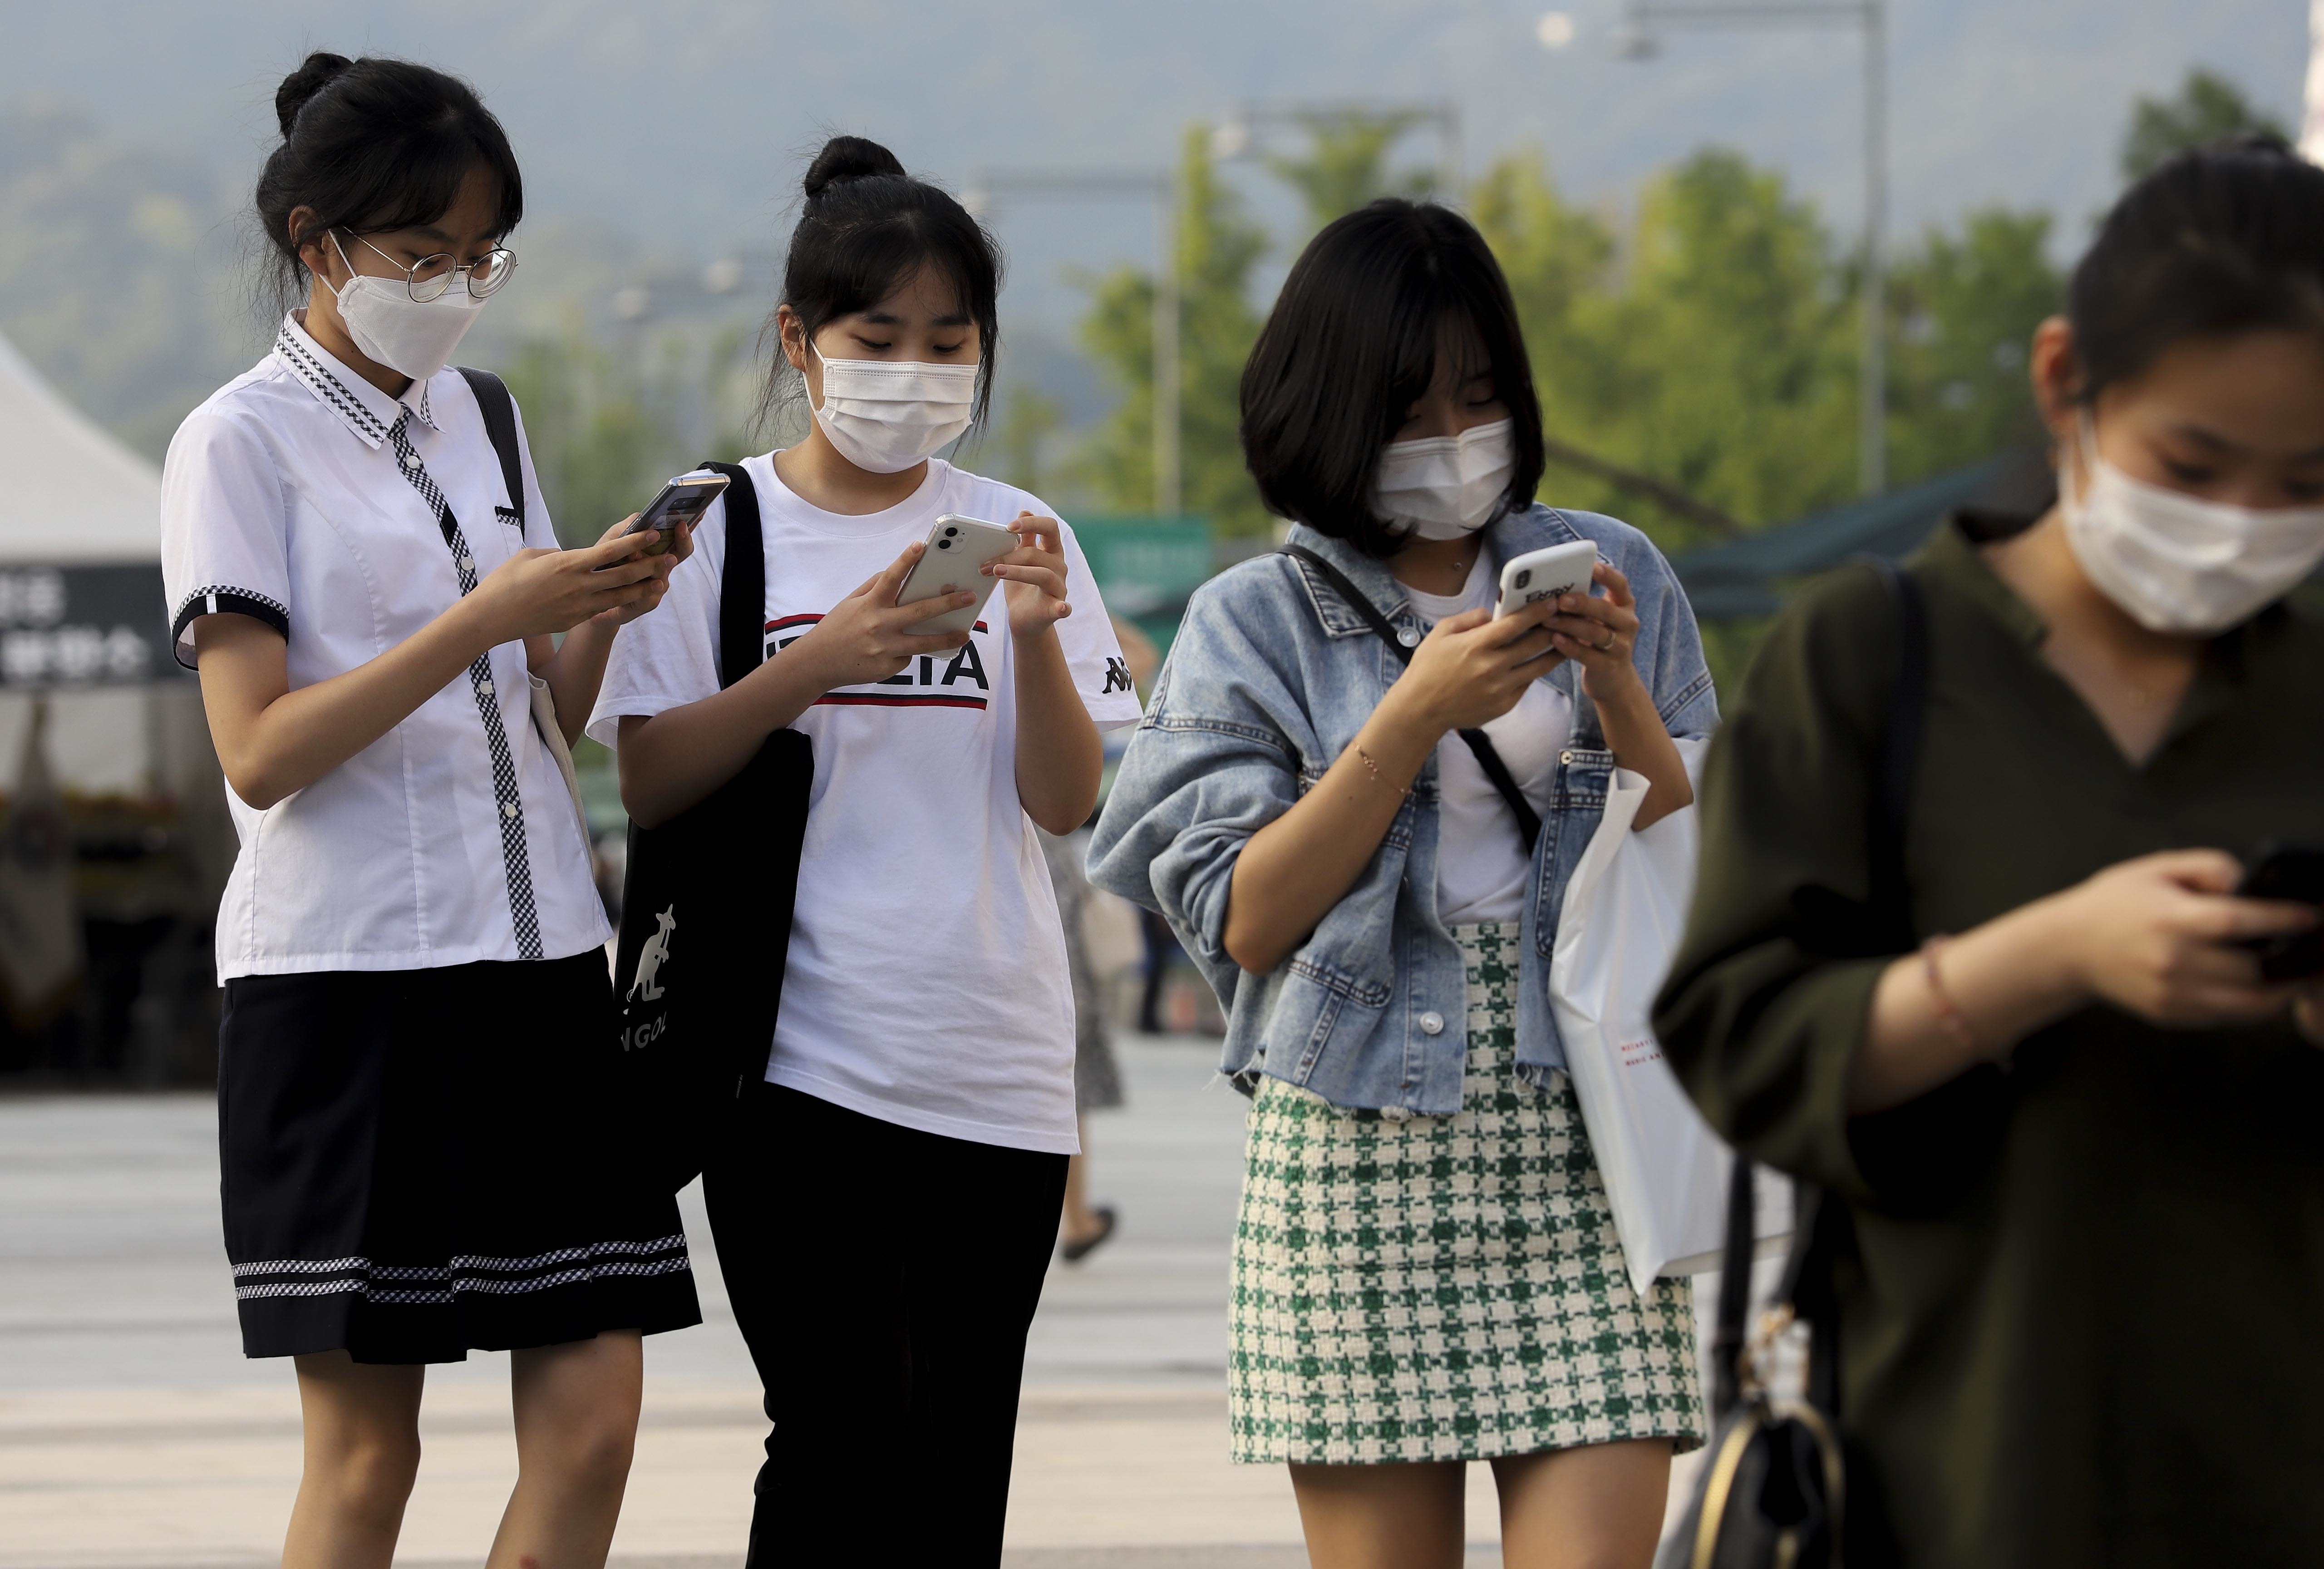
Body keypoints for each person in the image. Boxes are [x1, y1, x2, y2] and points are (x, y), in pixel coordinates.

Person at [1654, 134, 2324, 1568]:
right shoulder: (1874, 658)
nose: (2244, 528)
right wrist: (2055, 955)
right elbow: (1744, 1042)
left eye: (2306, 482)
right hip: (1960, 1461)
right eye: (2195, 465)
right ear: (2065, 382)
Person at [1089, 199, 1712, 1569]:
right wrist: (1408, 718)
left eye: (1481, 398)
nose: (1454, 439)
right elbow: (1247, 917)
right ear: (1331, 411)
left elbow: (1682, 839)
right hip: (1359, 1132)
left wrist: (1609, 678)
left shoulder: (1620, 565)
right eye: (1413, 408)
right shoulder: (1249, 621)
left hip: (1584, 1124)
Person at [159, 53, 699, 1569]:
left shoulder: (493, 417)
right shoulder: (237, 441)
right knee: (368, 1453)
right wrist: (484, 619)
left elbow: (553, 712)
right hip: (346, 988)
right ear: (321, 242)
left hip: (537, 973)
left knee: (596, 1419)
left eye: (482, 256)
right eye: (426, 255)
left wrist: (595, 603)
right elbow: (256, 751)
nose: (459, 285)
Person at [590, 136, 1143, 1568]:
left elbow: (1066, 801)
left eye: (948, 341)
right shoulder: (717, 529)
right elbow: (651, 775)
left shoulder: (1022, 532)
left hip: (996, 1064)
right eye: (877, 337)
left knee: (958, 1462)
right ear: (800, 340)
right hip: (790, 1060)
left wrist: (1031, 643)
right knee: (847, 1434)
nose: (916, 369)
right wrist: (820, 662)